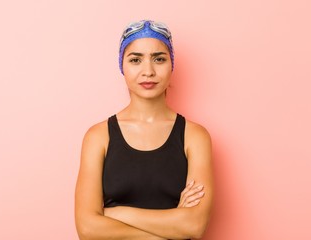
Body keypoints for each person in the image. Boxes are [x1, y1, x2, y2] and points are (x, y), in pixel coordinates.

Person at [75, 20, 214, 240]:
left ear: (171, 65)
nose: (148, 71)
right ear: (122, 65)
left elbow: (194, 225)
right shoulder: (99, 136)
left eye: (159, 59)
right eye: (135, 60)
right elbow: (88, 229)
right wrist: (173, 223)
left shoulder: (194, 136)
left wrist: (115, 213)